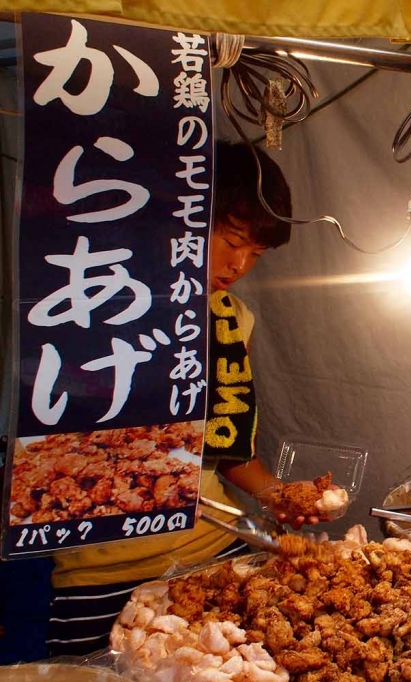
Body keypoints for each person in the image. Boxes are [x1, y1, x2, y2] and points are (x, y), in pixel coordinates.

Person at [44, 140, 315, 657]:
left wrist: (276, 494)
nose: (238, 264)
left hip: (213, 545)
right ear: (183, 217)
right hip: (100, 569)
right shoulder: (88, 305)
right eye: (231, 239)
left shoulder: (233, 320)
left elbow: (226, 446)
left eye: (255, 253)